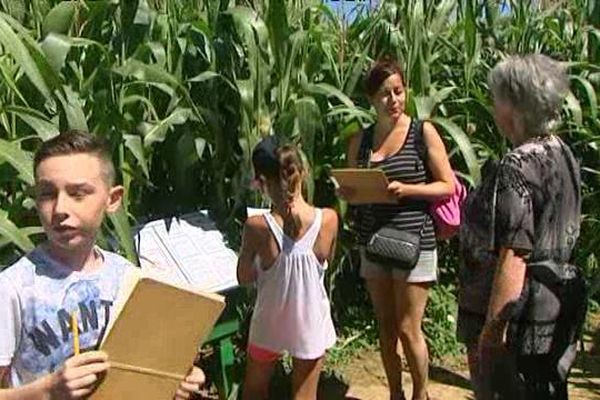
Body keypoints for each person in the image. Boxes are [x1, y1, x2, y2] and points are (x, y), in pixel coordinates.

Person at [0, 131, 205, 400]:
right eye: (47, 194)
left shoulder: (131, 280)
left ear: (113, 199)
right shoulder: (12, 289)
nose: (60, 208)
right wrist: (47, 390)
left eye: (78, 193)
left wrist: (177, 379)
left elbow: (146, 372)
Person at [457, 54, 582, 400]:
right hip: (555, 313)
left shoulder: (517, 165)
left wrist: (493, 332)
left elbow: (515, 252)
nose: (493, 107)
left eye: (496, 98)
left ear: (513, 105)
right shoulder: (563, 154)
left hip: (520, 322)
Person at [343, 58, 455, 400]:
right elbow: (355, 190)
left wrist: (409, 190)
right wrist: (348, 192)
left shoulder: (423, 132)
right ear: (370, 99)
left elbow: (448, 185)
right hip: (373, 243)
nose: (393, 100)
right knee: (386, 328)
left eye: (398, 91)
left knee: (409, 329)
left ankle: (420, 394)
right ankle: (395, 394)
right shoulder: (359, 142)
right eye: (384, 94)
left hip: (414, 242)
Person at [237, 137, 338, 400]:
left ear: (260, 183)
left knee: (254, 391)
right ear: (303, 173)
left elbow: (244, 276)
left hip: (268, 322)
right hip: (310, 323)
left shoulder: (256, 225)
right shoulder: (328, 220)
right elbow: (326, 262)